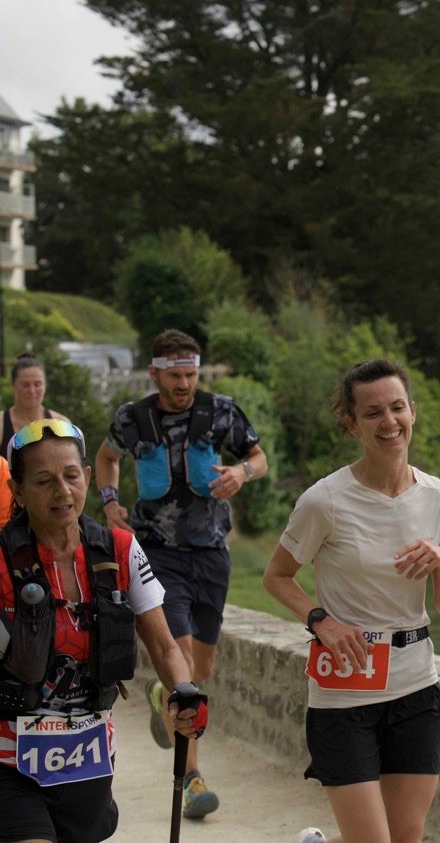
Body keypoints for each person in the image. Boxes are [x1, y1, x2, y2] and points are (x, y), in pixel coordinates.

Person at [263, 358, 440, 843]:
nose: (388, 421)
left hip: (416, 687)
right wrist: (321, 621)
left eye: (397, 408)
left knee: (404, 837)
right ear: (352, 423)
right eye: (373, 413)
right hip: (345, 691)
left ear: (412, 411)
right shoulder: (324, 501)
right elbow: (276, 576)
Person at [0, 418, 208, 843]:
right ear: (17, 490)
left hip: (87, 758)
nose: (63, 491)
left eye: (71, 476)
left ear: (87, 476)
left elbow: (165, 646)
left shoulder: (120, 550)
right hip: (8, 763)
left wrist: (184, 690)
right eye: (44, 481)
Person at [92, 328, 266, 819]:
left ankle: (160, 694)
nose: (184, 383)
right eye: (175, 375)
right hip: (156, 554)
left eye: (190, 374)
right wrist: (109, 501)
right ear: (155, 373)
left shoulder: (221, 411)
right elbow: (106, 457)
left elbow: (258, 457)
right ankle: (192, 779)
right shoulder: (133, 418)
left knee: (200, 669)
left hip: (211, 554)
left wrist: (241, 473)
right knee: (182, 663)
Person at [1, 352, 69, 453]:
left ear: (45, 385)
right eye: (25, 385)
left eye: (37, 384)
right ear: (13, 385)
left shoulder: (61, 425)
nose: (32, 391)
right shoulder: (1, 425)